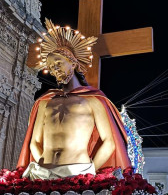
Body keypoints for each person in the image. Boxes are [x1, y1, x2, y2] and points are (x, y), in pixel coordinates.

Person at [17, 19, 131, 179]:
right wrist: (43, 168)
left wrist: (90, 172)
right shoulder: (45, 102)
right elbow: (34, 142)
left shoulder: (94, 100)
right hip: (44, 172)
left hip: (79, 171)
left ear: (74, 63)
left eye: (58, 62)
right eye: (50, 67)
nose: (54, 68)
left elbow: (109, 142)